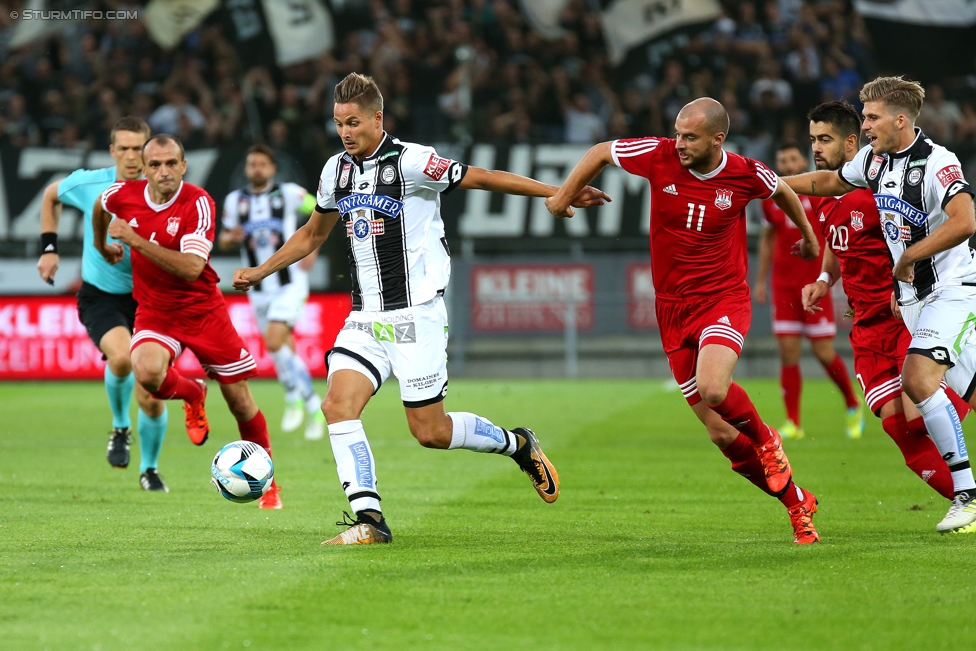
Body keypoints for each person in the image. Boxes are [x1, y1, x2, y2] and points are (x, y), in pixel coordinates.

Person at [233, 73, 609, 545]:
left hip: (416, 317)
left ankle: (517, 443)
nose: (345, 132)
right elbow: (312, 234)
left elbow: (483, 177)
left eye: (353, 122)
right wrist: (261, 271)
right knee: (337, 406)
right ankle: (369, 519)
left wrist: (559, 191)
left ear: (377, 118)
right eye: (338, 124)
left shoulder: (412, 161)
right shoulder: (336, 171)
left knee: (430, 432)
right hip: (364, 319)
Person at [546, 97, 822, 544]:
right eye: (677, 133)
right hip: (671, 309)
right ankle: (797, 503)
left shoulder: (746, 173)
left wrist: (809, 239)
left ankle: (769, 439)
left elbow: (784, 192)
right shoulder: (658, 156)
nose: (679, 143)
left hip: (723, 299)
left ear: (718, 139)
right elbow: (600, 151)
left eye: (690, 136)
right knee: (719, 433)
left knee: (714, 389)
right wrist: (560, 198)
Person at [783, 77, 976, 534]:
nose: (865, 125)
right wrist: (764, 183)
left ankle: (966, 495)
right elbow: (828, 182)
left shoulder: (937, 163)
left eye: (871, 117)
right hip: (912, 301)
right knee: (956, 393)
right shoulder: (872, 163)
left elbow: (965, 220)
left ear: (901, 119)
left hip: (952, 286)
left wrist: (909, 255)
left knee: (918, 380)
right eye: (864, 116)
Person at [92, 134, 282, 510]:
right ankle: (193, 394)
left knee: (240, 402)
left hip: (202, 310)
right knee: (145, 373)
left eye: (171, 163)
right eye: (156, 164)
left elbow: (192, 267)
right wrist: (102, 245)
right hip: (156, 310)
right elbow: (100, 207)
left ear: (183, 165)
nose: (164, 171)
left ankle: (269, 482)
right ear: (143, 170)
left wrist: (133, 239)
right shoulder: (123, 195)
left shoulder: (198, 202)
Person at [36, 116, 170, 492]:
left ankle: (150, 469)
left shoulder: (167, 191)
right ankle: (120, 427)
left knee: (152, 393)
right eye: (123, 148)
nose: (131, 157)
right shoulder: (91, 182)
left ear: (149, 152)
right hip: (101, 295)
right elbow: (50, 195)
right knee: (124, 358)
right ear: (112, 151)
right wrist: (49, 249)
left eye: (137, 149)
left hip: (152, 300)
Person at [753, 142, 862, 440]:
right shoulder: (770, 198)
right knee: (788, 353)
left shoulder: (821, 190)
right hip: (783, 286)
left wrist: (827, 276)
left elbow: (834, 236)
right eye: (781, 160)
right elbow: (768, 241)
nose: (786, 165)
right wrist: (761, 280)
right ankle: (793, 422)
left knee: (822, 351)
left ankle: (853, 404)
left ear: (803, 160)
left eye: (791, 159)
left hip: (813, 284)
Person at [219, 144, 325, 441]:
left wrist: (313, 248)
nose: (257, 169)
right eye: (252, 164)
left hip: (290, 282)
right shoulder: (234, 201)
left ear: (272, 168)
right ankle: (313, 404)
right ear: (247, 169)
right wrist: (231, 237)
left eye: (262, 164)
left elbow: (321, 210)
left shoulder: (289, 194)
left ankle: (293, 395)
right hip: (258, 287)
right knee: (281, 347)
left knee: (275, 338)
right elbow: (224, 239)